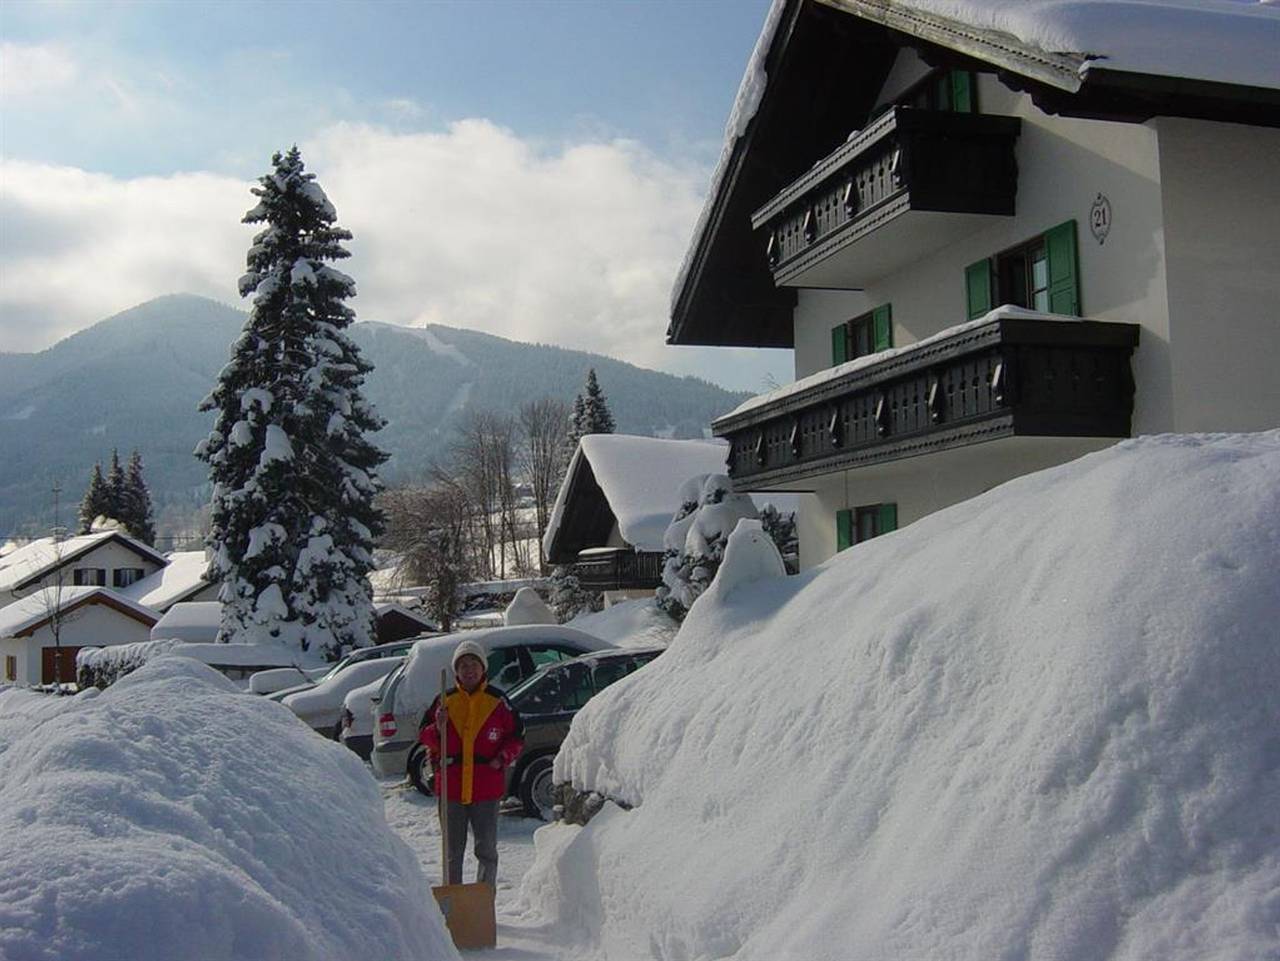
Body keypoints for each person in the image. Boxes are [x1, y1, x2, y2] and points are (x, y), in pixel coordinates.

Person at [419, 639, 525, 887]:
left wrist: (501, 759)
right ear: (456, 671)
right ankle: (453, 899)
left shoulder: (497, 701)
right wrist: (438, 727)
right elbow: (424, 736)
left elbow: (517, 736)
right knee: (452, 851)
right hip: (451, 787)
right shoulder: (444, 701)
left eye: (473, 664)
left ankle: (483, 900)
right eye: (463, 665)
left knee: (486, 849)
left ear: (483, 668)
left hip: (486, 787)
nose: (469, 670)